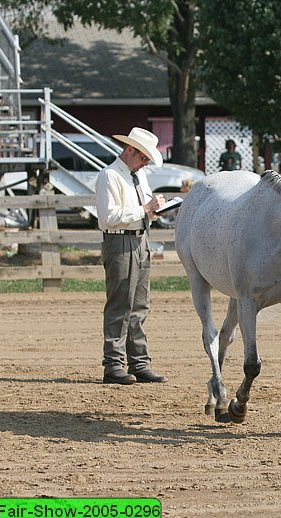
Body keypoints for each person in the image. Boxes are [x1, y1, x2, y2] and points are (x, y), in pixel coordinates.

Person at [96, 127, 167, 385]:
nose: (145, 163)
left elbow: (142, 209)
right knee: (120, 303)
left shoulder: (137, 176)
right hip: (120, 241)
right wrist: (145, 209)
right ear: (129, 150)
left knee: (139, 304)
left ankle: (138, 363)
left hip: (139, 239)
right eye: (143, 158)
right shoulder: (110, 176)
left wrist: (154, 209)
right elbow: (108, 217)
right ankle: (114, 364)